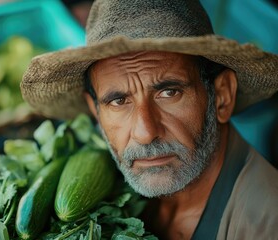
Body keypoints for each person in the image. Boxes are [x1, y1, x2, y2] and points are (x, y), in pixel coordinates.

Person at [21, 0, 278, 239]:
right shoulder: (113, 197)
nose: (145, 132)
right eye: (119, 101)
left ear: (222, 96)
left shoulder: (265, 225)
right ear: (95, 112)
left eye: (169, 92)